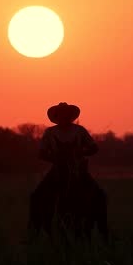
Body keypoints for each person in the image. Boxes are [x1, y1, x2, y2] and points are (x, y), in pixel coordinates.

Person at [29, 102, 108, 239]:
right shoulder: (50, 132)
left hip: (78, 169)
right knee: (36, 196)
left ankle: (104, 231)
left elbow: (94, 148)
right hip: (57, 169)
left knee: (99, 196)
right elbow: (41, 153)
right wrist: (55, 158)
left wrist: (79, 153)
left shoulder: (80, 130)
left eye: (66, 114)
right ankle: (34, 231)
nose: (64, 117)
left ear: (70, 116)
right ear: (57, 116)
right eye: (61, 114)